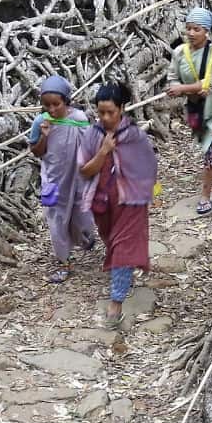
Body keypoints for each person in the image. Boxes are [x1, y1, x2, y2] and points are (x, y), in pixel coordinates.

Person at [78, 81, 158, 328]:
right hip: (102, 201)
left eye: (110, 112)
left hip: (131, 200)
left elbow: (149, 167)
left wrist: (142, 190)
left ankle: (115, 306)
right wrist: (103, 152)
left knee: (123, 246)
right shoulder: (92, 135)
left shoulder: (134, 135)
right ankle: (123, 274)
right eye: (100, 112)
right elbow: (84, 170)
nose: (105, 117)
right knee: (112, 242)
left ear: (122, 108)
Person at [164, 6, 212, 216]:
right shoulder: (180, 52)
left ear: (206, 31)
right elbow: (172, 76)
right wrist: (174, 87)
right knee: (207, 142)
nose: (190, 33)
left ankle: (205, 197)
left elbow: (211, 84)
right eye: (188, 28)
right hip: (196, 108)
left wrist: (182, 88)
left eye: (196, 29)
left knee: (210, 152)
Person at [27, 75, 96, 283]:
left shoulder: (79, 118)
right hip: (54, 180)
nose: (52, 110)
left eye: (56, 104)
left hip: (78, 177)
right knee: (57, 221)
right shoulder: (41, 121)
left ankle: (84, 237)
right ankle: (65, 262)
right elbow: (36, 152)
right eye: (46, 105)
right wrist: (45, 134)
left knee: (82, 213)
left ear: (66, 100)